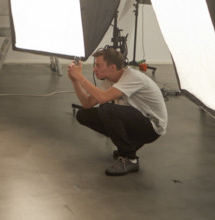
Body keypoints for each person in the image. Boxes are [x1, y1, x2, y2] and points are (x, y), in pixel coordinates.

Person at [68, 47, 167, 176]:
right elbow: (87, 104)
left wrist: (80, 76)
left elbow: (102, 98)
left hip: (152, 127)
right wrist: (75, 80)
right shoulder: (111, 80)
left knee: (106, 109)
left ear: (112, 67)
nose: (94, 69)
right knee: (83, 115)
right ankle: (129, 143)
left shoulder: (132, 77)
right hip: (137, 120)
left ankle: (129, 158)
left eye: (98, 65)